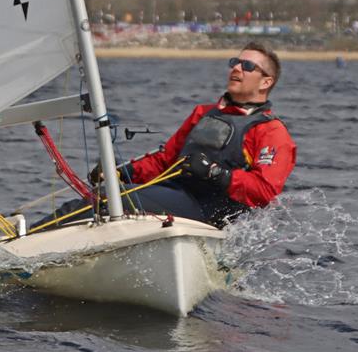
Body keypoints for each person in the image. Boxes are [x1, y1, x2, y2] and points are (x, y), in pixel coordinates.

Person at [35, 42, 296, 229]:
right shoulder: (203, 113)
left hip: (210, 211)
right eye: (234, 62)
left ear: (266, 82)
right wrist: (123, 172)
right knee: (110, 190)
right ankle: (35, 238)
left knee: (111, 199)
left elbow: (265, 191)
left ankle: (23, 246)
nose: (236, 68)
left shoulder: (271, 132)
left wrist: (217, 173)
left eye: (247, 66)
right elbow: (165, 160)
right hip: (177, 195)